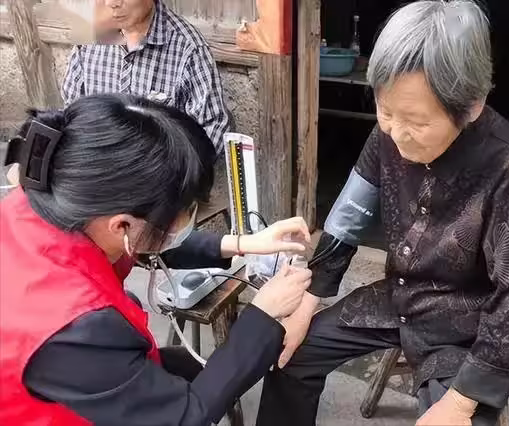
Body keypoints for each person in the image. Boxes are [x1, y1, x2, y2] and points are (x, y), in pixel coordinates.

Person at [256, 2, 509, 426]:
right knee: (290, 354)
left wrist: (462, 402)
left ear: (471, 106)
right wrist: (307, 302)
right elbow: (348, 217)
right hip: (399, 297)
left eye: (416, 121)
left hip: (466, 325)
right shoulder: (387, 134)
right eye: (386, 111)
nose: (396, 133)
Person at [0, 94, 313, 426]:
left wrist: (244, 243)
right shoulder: (76, 330)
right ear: (121, 225)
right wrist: (263, 313)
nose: (189, 219)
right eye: (185, 211)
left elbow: (148, 238)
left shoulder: (48, 202)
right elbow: (184, 417)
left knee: (186, 366)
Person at [62, 0, 229, 155]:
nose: (112, 3)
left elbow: (214, 130)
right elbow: (70, 115)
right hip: (99, 168)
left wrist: (169, 169)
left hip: (161, 173)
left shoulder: (188, 49)